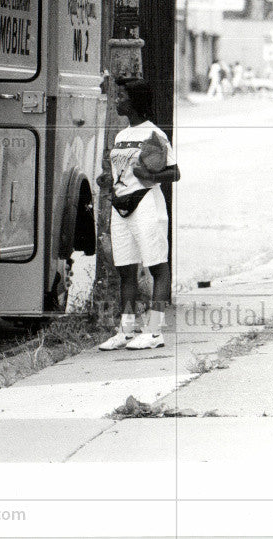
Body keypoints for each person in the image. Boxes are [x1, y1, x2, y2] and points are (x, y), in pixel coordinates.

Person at [96, 78, 180, 350]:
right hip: (121, 206)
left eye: (121, 96)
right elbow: (122, 172)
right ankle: (127, 330)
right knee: (126, 271)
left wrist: (150, 174)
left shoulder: (154, 134)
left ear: (135, 100)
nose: (116, 100)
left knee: (157, 266)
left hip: (146, 203)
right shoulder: (121, 136)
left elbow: (175, 173)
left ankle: (155, 331)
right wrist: (108, 179)